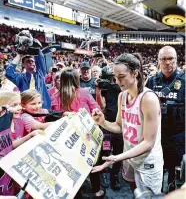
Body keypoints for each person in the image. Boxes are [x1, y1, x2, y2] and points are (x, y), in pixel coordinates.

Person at [92, 53, 163, 194]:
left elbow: (148, 142)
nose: (117, 82)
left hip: (147, 161)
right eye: (115, 77)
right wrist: (103, 122)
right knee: (134, 192)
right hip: (129, 156)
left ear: (135, 73)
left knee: (148, 196)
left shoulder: (148, 99)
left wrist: (116, 158)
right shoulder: (122, 96)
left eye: (121, 77)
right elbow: (119, 127)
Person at [51, 69, 105, 198]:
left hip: (66, 139)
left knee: (70, 167)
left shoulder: (54, 96)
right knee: (93, 163)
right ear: (77, 80)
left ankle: (76, 191)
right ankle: (97, 191)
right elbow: (97, 110)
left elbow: (52, 117)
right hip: (87, 136)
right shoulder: (85, 92)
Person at [146, 46, 185, 190]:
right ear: (158, 61)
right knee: (157, 169)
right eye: (163, 59)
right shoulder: (151, 81)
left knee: (175, 173)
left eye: (170, 59)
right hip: (157, 136)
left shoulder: (184, 80)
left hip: (179, 137)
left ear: (176, 60)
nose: (167, 62)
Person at [0, 91, 42, 196]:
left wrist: (29, 136)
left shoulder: (18, 121)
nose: (19, 108)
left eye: (19, 104)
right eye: (14, 105)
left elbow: (10, 145)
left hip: (11, 171)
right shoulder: (3, 126)